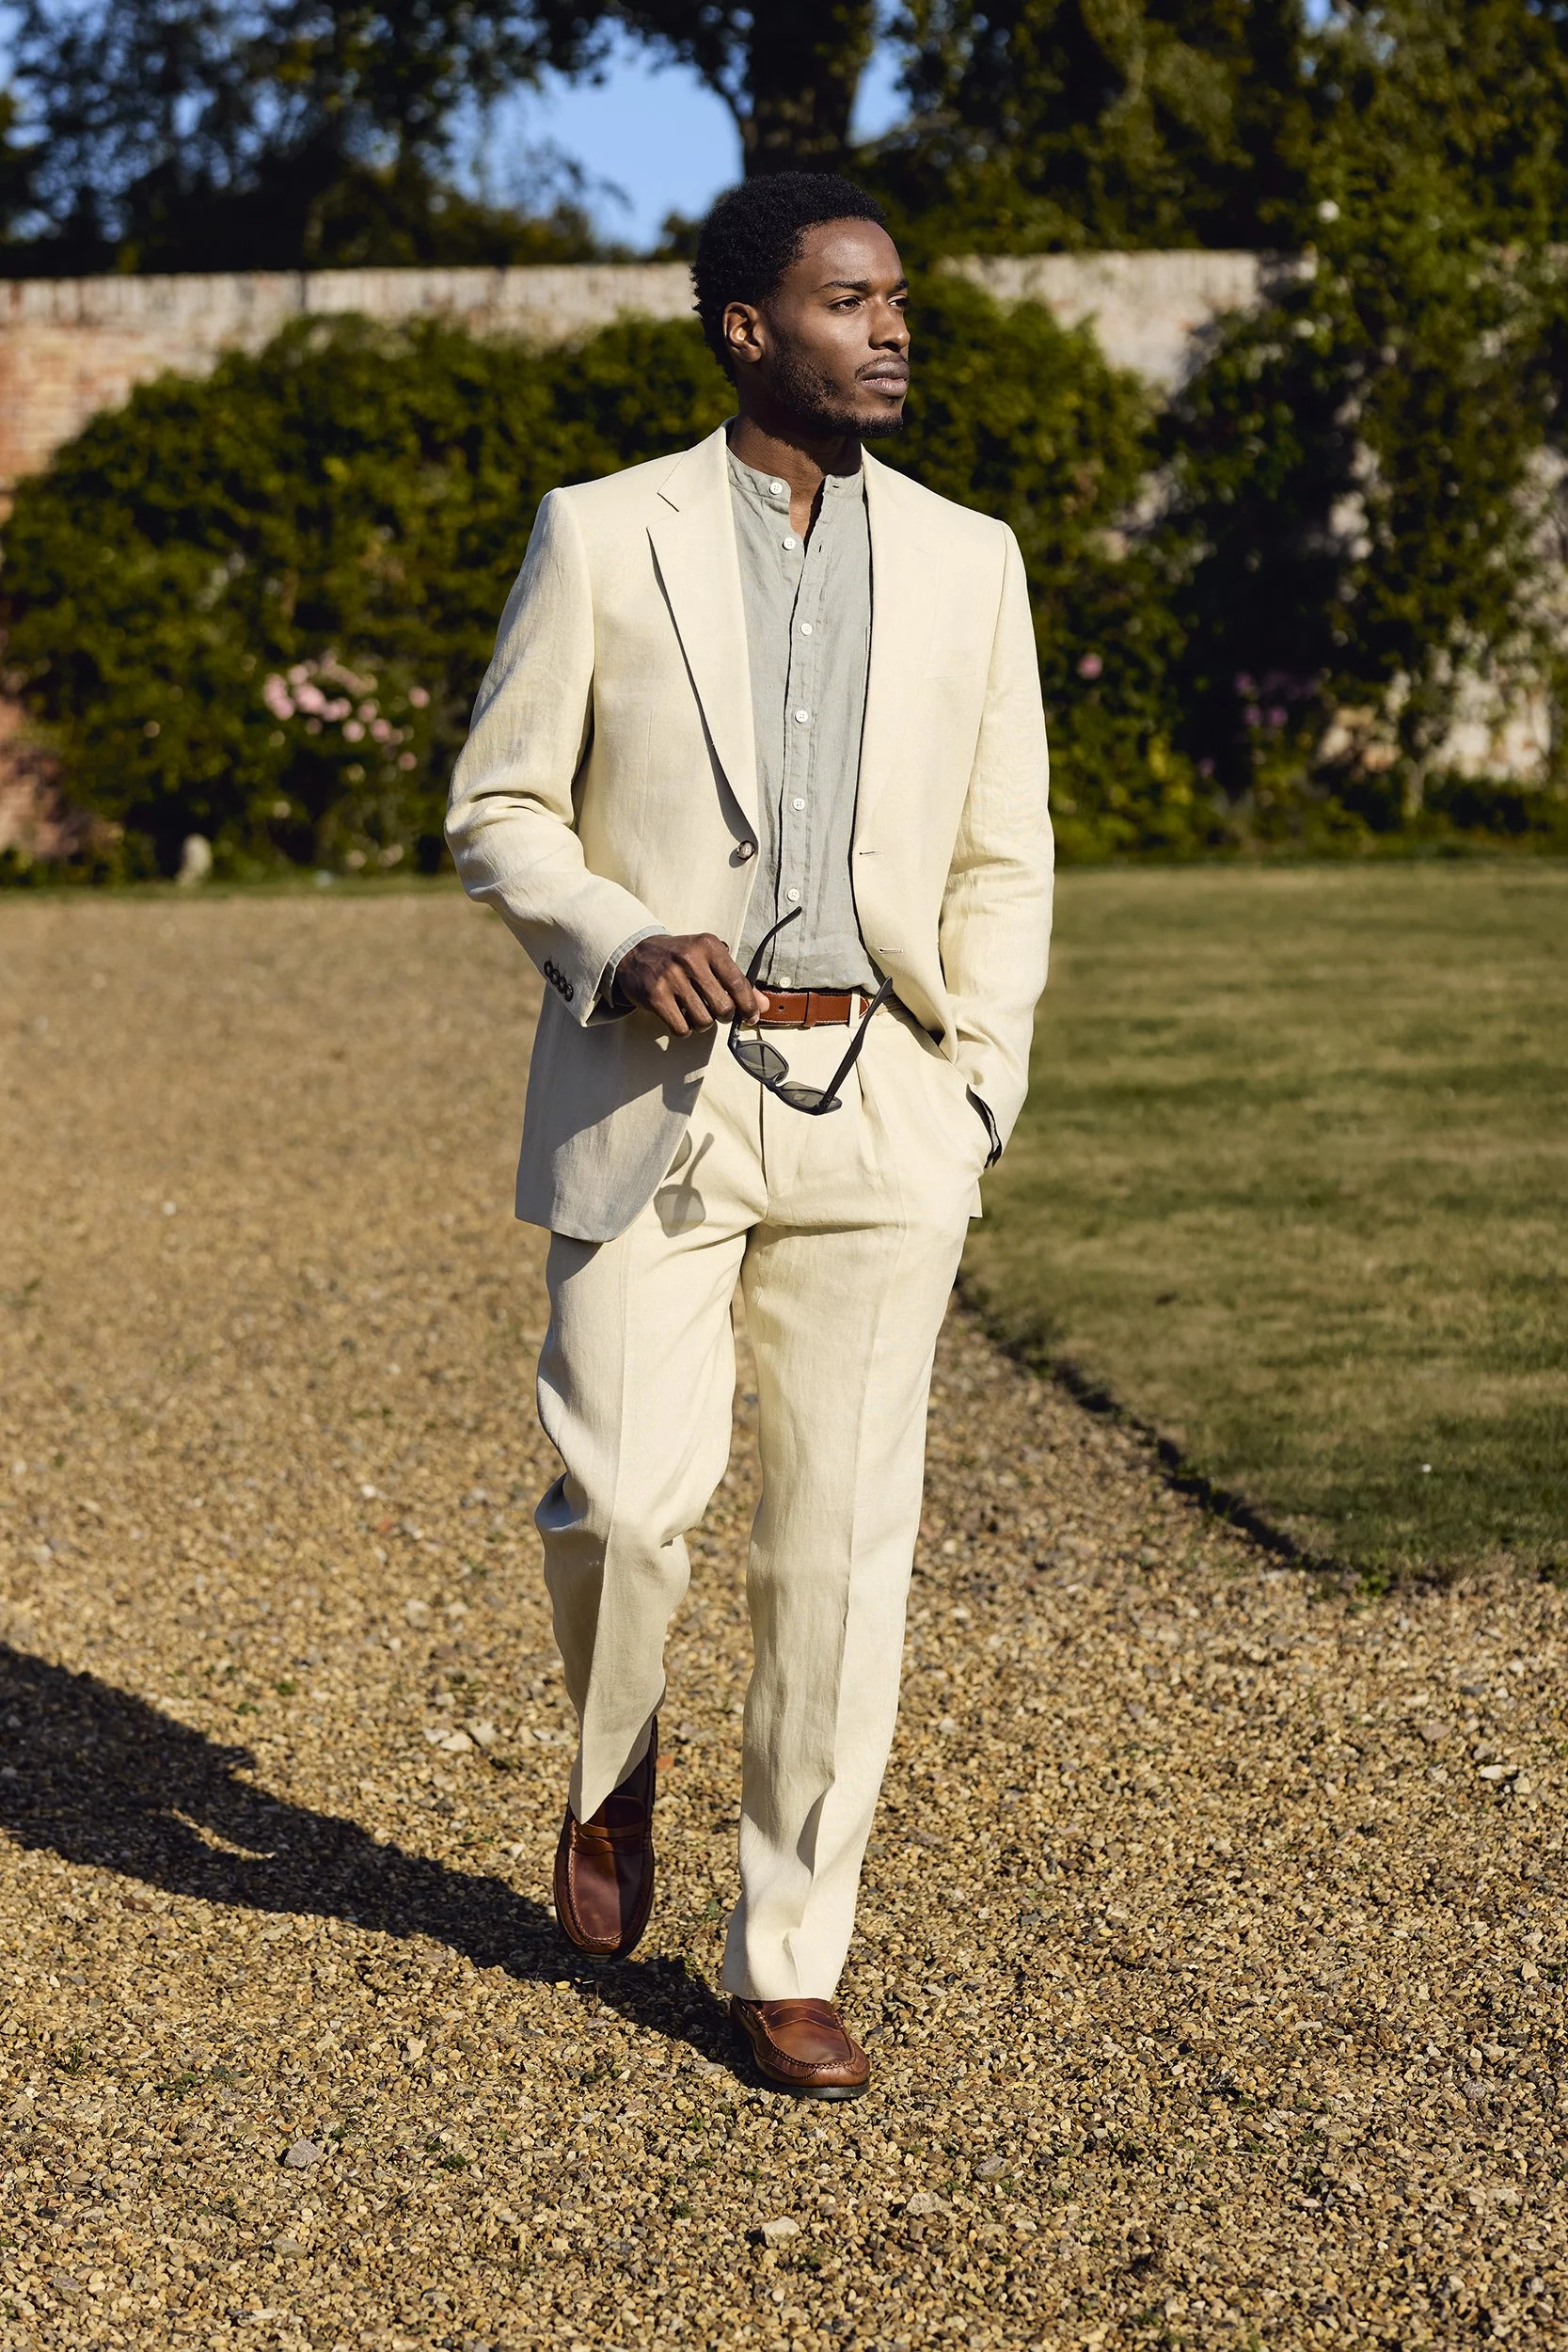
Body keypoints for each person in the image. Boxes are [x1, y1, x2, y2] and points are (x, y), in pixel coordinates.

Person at [446, 170, 1052, 2100]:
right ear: (743, 327)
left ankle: (788, 1949)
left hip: (879, 1102)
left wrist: (972, 1091)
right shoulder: (602, 533)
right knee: (624, 1503)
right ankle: (611, 1746)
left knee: (839, 1551)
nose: (888, 330)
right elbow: (498, 805)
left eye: (896, 302)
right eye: (848, 301)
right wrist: (619, 942)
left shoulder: (971, 558)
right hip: (659, 1094)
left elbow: (997, 856)